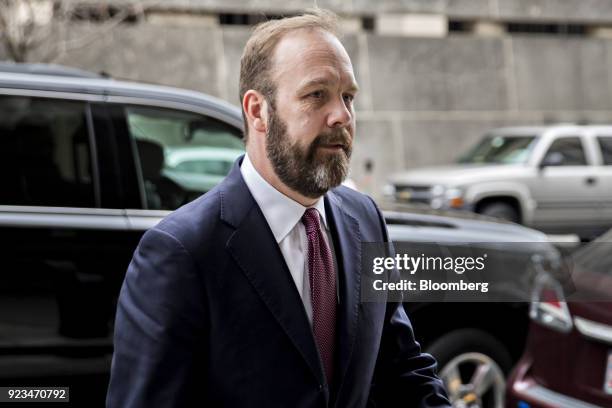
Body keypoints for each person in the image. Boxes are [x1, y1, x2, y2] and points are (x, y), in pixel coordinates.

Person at [107, 9, 450, 408]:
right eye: (316, 94)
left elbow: (401, 367)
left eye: (348, 96)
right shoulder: (181, 251)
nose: (342, 115)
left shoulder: (366, 220)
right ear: (258, 111)